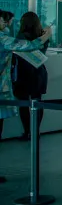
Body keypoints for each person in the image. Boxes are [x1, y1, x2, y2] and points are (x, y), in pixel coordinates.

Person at [0, 13, 52, 146]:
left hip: (22, 73)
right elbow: (33, 47)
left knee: (24, 104)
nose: (7, 23)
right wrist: (46, 35)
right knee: (37, 102)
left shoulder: (19, 36)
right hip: (38, 72)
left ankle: (28, 131)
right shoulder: (41, 35)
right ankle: (35, 131)